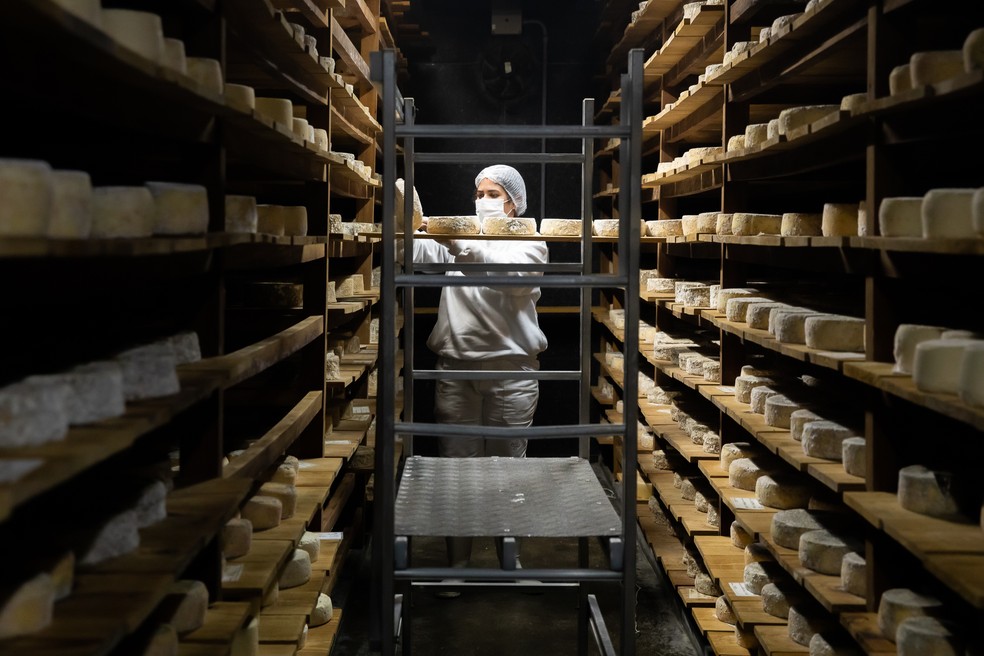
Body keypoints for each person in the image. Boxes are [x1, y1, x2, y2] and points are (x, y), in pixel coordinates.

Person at [410, 165, 549, 584]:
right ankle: (458, 565)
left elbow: (516, 281)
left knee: (511, 470)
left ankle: (511, 563)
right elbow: (416, 254)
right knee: (457, 471)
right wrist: (409, 222)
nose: (483, 199)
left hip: (512, 371)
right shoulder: (458, 237)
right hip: (456, 367)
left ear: (513, 203)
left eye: (493, 193)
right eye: (478, 192)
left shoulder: (530, 242)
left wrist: (462, 243)